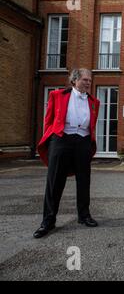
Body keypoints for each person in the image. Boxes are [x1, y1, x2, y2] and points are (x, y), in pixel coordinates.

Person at [33, 68, 100, 238]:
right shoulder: (57, 95)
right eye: (85, 80)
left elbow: (91, 124)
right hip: (61, 140)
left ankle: (84, 216)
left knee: (84, 180)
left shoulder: (94, 102)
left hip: (83, 141)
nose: (88, 83)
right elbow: (48, 120)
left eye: (90, 80)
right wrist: (52, 140)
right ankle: (48, 220)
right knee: (54, 181)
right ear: (74, 80)